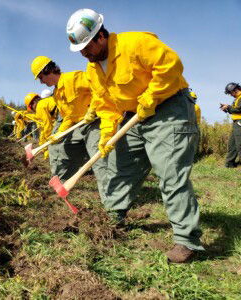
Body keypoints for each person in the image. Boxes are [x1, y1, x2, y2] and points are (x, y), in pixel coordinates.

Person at [66, 8, 203, 263]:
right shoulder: (94, 70)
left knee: (170, 173)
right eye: (80, 50)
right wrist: (107, 134)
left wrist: (151, 97)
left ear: (100, 36)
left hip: (168, 108)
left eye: (87, 46)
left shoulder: (136, 43)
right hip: (133, 117)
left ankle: (187, 240)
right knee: (121, 167)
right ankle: (112, 219)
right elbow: (105, 106)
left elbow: (171, 65)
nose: (84, 53)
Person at [31, 55, 110, 201]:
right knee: (65, 150)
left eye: (41, 77)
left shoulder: (74, 78)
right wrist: (60, 133)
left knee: (98, 161)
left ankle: (111, 203)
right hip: (79, 125)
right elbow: (68, 117)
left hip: (95, 122)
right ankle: (60, 184)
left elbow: (99, 87)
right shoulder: (57, 94)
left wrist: (92, 109)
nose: (41, 82)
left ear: (47, 70)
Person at [25, 90, 57, 160]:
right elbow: (38, 117)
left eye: (31, 108)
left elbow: (48, 126)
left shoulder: (40, 106)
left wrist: (48, 140)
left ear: (33, 103)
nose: (33, 110)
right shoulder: (46, 102)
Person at [220, 82, 241, 168]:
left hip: (240, 122)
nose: (230, 95)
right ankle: (229, 165)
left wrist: (228, 107)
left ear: (234, 89)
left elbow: (239, 109)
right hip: (236, 123)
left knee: (240, 144)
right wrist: (226, 109)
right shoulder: (237, 98)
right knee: (232, 144)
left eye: (230, 93)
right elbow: (235, 110)